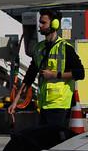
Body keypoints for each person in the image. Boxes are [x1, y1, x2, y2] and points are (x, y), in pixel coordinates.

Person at [33, 16, 84, 144]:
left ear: (54, 25)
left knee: (54, 140)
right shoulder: (40, 48)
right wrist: (15, 101)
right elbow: (30, 73)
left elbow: (80, 73)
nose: (40, 26)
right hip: (45, 103)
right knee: (44, 141)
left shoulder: (65, 48)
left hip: (60, 103)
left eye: (43, 23)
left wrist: (54, 75)